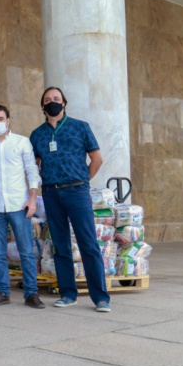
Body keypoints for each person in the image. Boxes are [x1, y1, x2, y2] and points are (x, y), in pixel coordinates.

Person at [29, 87, 111, 312]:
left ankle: (101, 297)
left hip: (77, 192)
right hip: (51, 193)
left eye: (56, 99)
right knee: (60, 245)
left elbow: (97, 158)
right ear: (43, 106)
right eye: (47, 100)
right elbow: (32, 165)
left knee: (88, 244)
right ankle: (68, 294)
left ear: (64, 102)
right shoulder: (37, 135)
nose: (52, 102)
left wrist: (83, 179)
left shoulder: (80, 127)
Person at [0, 104, 43, 309]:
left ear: (8, 120)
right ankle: (2, 292)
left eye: (1, 118)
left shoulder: (22, 142)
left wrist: (33, 199)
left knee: (26, 251)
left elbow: (32, 171)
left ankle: (31, 293)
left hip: (19, 204)